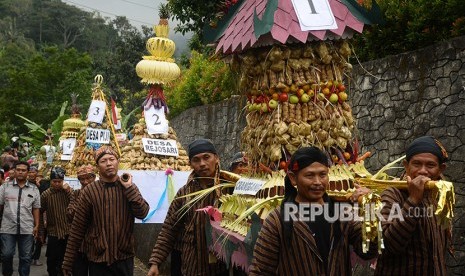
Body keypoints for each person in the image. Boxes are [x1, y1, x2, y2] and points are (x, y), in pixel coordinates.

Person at [249, 147, 376, 275]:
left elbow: (369, 250)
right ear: (293, 178)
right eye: (309, 175)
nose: (317, 182)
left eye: (322, 175)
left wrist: (370, 207)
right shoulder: (277, 220)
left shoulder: (341, 212)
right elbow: (260, 271)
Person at [62, 146, 149, 276]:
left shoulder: (128, 187)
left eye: (111, 159)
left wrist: (129, 189)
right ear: (98, 166)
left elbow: (143, 213)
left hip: (124, 257)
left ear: (117, 162)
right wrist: (68, 261)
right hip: (98, 259)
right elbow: (77, 228)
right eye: (103, 161)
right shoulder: (90, 191)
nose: (108, 164)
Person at [147, 139, 228, 276]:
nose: (202, 164)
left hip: (221, 267)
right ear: (190, 164)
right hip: (190, 266)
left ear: (216, 158)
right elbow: (169, 228)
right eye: (196, 160)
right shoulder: (184, 193)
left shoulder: (229, 190)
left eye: (206, 157)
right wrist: (156, 262)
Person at [375, 136, 452, 275]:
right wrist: (413, 200)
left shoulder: (439, 197)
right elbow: (388, 244)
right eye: (416, 164)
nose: (423, 171)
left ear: (441, 169)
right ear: (406, 165)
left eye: (430, 165)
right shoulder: (391, 195)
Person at [0, 161, 41, 276]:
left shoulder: (34, 189)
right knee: (6, 255)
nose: (20, 172)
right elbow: (0, 205)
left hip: (27, 228)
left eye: (23, 170)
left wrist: (37, 225)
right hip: (8, 227)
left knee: (26, 258)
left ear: (27, 172)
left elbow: (36, 208)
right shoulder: (5, 187)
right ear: (14, 171)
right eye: (18, 170)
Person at [40, 166, 73, 276]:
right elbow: (40, 211)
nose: (57, 184)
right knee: (52, 260)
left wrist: (68, 191)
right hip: (53, 232)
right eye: (55, 181)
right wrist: (41, 231)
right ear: (50, 181)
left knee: (66, 260)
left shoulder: (67, 192)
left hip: (67, 231)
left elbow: (76, 202)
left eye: (60, 181)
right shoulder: (46, 195)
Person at [66, 165, 96, 276]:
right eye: (82, 179)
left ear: (94, 177)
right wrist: (83, 198)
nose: (86, 181)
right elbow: (69, 215)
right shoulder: (76, 194)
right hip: (79, 244)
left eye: (89, 178)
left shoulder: (100, 193)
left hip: (97, 245)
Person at [28, 166, 44, 266]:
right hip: (27, 213)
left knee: (39, 235)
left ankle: (36, 257)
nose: (31, 174)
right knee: (28, 236)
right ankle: (28, 256)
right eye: (29, 172)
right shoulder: (24, 183)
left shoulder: (40, 184)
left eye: (33, 172)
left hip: (39, 213)